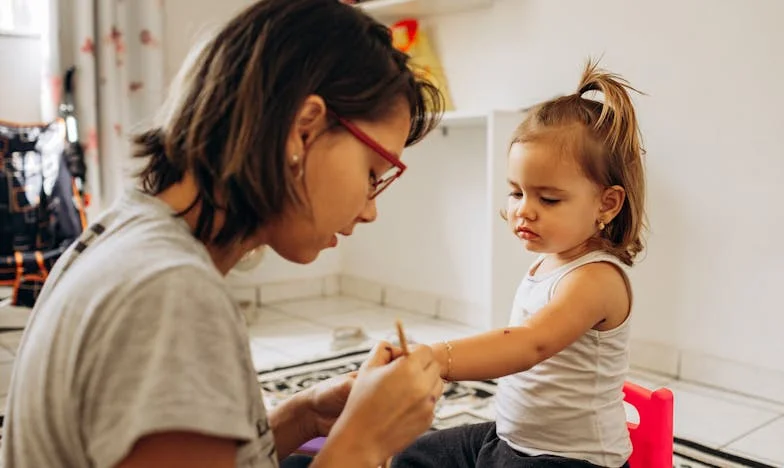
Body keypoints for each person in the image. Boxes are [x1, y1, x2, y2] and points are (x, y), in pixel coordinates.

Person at [0, 0, 447, 467]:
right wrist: (364, 442)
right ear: (304, 129)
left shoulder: (122, 233)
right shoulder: (171, 294)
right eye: (374, 173)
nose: (371, 210)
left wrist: (301, 416)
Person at [392, 60, 647, 468]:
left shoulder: (597, 279)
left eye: (547, 199)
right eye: (516, 193)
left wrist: (440, 358)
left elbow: (529, 343)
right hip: (511, 437)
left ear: (607, 203)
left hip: (569, 459)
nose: (523, 211)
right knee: (411, 455)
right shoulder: (550, 262)